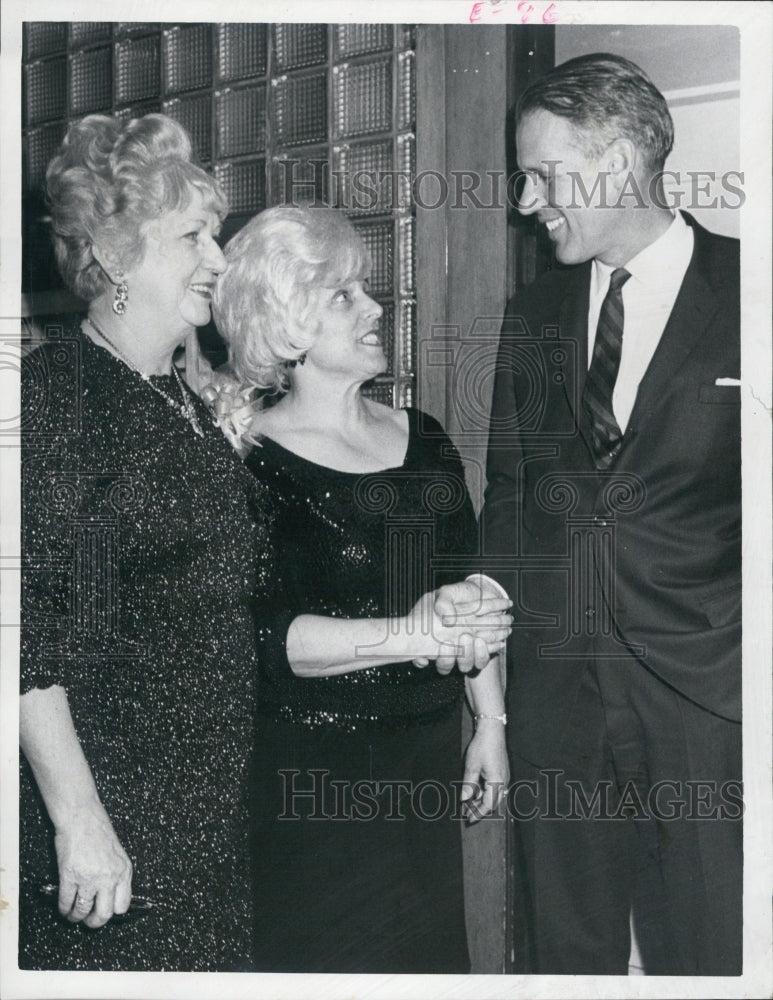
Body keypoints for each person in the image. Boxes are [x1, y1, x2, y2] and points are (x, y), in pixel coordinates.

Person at [441, 53, 741, 975]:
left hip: (708, 700)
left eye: (542, 173)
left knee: (713, 950)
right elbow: (514, 499)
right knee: (566, 956)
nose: (528, 199)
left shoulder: (751, 291)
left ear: (614, 164)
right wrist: (490, 617)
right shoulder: (530, 314)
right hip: (560, 699)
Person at [210, 205, 512, 974]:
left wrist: (490, 722)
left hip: (420, 765)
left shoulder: (426, 436)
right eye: (344, 294)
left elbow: (468, 589)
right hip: (310, 783)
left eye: (365, 289)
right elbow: (263, 641)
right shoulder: (246, 463)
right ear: (287, 328)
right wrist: (410, 635)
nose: (375, 306)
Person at [19, 113, 269, 970]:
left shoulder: (177, 401)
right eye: (194, 236)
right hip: (118, 816)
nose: (218, 259)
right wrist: (79, 820)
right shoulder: (66, 394)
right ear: (118, 256)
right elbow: (26, 631)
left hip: (202, 807)